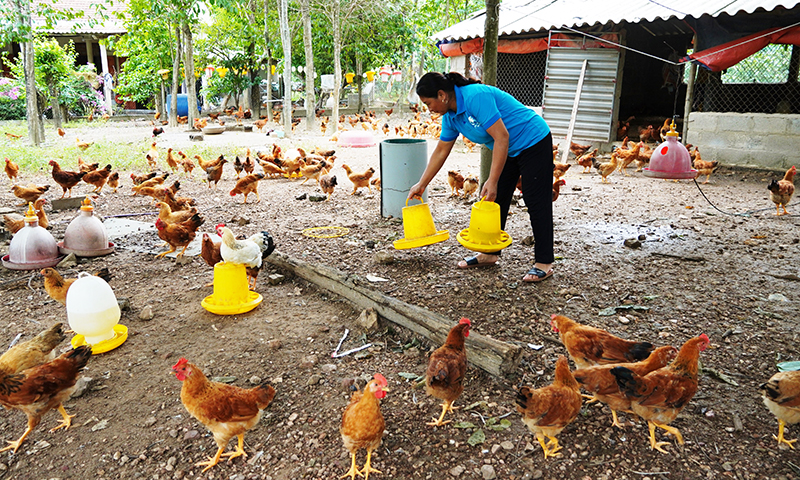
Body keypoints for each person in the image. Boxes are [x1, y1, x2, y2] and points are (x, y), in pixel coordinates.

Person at [407, 72, 555, 283]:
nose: (428, 108)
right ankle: (489, 253)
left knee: (535, 200)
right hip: (506, 149)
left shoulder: (475, 96)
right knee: (493, 199)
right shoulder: (451, 116)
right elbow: (441, 150)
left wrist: (492, 179)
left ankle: (544, 262)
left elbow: (502, 135)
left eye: (428, 103)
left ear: (442, 95)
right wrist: (422, 184)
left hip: (532, 139)